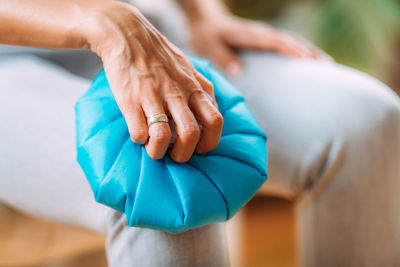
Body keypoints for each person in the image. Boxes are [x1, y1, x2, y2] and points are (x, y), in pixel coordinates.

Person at [1, 0, 400, 266]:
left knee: (367, 120)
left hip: (150, 28)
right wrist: (103, 23)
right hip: (14, 55)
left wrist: (204, 14)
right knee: (165, 180)